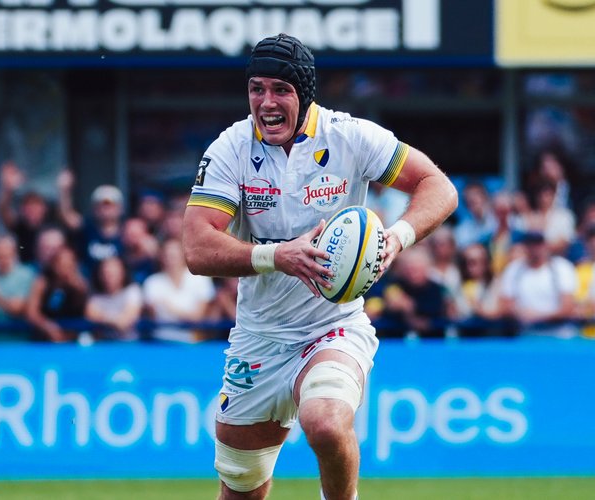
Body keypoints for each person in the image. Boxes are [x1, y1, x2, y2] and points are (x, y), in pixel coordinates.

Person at [181, 34, 457, 500]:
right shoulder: (231, 148)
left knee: (325, 422)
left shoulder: (350, 136)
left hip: (333, 326)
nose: (266, 102)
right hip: (260, 335)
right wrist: (277, 256)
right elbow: (196, 247)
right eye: (256, 89)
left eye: (280, 90)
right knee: (240, 484)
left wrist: (396, 238)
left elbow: (437, 185)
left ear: (305, 94)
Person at [499, 231, 578, 338]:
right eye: (530, 245)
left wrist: (537, 316)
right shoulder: (514, 269)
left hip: (558, 333)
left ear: (545, 245)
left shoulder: (561, 267)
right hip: (525, 333)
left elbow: (568, 307)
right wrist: (521, 314)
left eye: (538, 244)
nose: (535, 249)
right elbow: (506, 305)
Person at [143, 238, 215, 343]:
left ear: (183, 255)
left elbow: (198, 317)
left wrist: (171, 308)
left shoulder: (200, 279)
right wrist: (185, 315)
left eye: (174, 255)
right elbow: (154, 318)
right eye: (167, 255)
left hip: (191, 341)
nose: (171, 260)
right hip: (160, 341)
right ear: (161, 257)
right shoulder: (152, 282)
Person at [57, 171, 125, 272]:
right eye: (101, 206)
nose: (105, 210)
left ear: (120, 209)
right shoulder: (87, 227)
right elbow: (67, 216)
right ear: (94, 209)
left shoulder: (126, 232)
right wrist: (64, 191)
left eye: (110, 206)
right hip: (88, 280)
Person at [25, 246, 88, 342]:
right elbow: (31, 313)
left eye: (69, 265)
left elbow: (87, 312)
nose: (64, 269)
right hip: (44, 338)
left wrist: (76, 288)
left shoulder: (80, 285)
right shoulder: (43, 282)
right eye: (61, 264)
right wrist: (48, 326)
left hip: (73, 339)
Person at [0, 235, 36, 341]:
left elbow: (18, 308)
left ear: (14, 254)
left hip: (18, 341)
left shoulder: (25, 275)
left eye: (6, 256)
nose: (2, 260)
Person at [85, 256, 142, 341]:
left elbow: (124, 322)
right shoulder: (95, 295)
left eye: (113, 273)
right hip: (102, 343)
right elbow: (90, 316)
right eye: (105, 273)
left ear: (123, 273)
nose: (108, 277)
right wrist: (115, 321)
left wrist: (102, 319)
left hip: (128, 344)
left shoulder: (132, 291)